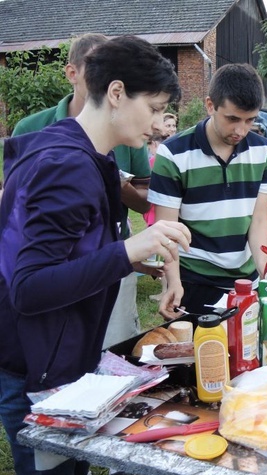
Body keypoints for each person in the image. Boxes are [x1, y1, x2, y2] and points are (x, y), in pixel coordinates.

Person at [0, 35, 188, 475]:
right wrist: (127, 250)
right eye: (155, 108)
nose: (156, 125)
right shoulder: (66, 165)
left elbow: (71, 249)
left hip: (58, 356)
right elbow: (30, 286)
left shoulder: (87, 156)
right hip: (29, 363)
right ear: (119, 92)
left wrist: (132, 258)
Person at [148, 62, 267, 475]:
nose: (242, 130)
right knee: (206, 386)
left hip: (243, 279)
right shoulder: (174, 154)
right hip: (197, 279)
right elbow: (166, 229)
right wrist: (174, 280)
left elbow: (259, 220)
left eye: (250, 120)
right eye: (231, 119)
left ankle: (254, 458)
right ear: (209, 106)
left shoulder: (262, 150)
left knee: (250, 369)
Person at [13, 33, 152, 352]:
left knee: (113, 350)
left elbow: (146, 203)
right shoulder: (30, 129)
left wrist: (117, 185)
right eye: (95, 71)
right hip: (50, 260)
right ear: (71, 73)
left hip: (113, 254)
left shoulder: (127, 130)